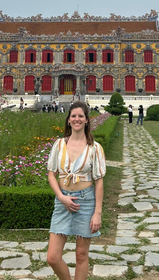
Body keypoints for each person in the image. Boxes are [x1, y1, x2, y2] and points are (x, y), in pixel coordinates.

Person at [46, 101, 106, 280]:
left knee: (81, 255)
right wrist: (61, 197)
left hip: (85, 201)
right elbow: (51, 174)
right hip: (63, 201)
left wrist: (98, 213)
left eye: (81, 116)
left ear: (87, 120)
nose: (77, 119)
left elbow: (99, 181)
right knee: (53, 257)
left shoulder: (94, 148)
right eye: (74, 116)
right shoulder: (59, 144)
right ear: (68, 120)